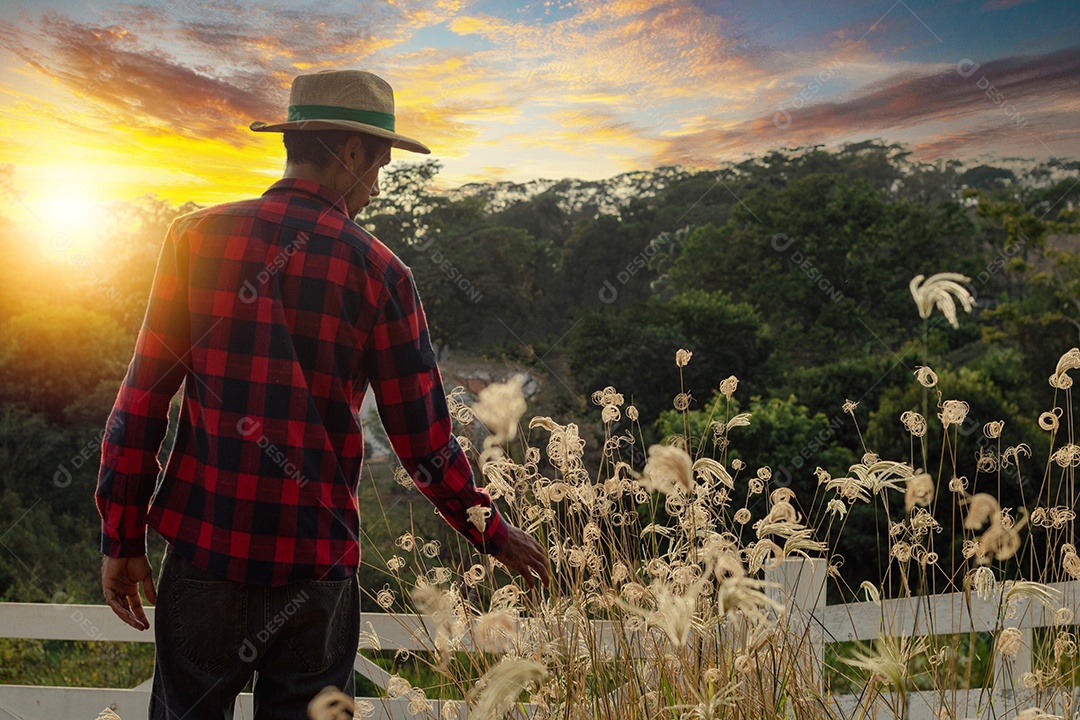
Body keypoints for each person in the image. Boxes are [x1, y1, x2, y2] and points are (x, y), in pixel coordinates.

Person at [96, 69, 550, 720]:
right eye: (380, 167)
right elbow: (423, 442)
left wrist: (122, 536)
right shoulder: (382, 274)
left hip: (203, 554)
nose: (375, 185)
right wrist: (492, 531)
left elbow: (141, 400)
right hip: (315, 570)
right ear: (355, 153)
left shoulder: (195, 239)